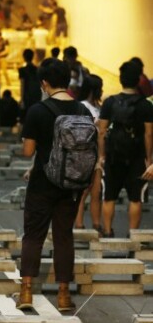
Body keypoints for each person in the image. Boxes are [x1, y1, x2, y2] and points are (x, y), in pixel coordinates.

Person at [17, 58, 93, 312]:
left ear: (44, 83)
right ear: (68, 80)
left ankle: (26, 292)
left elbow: (28, 151)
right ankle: (63, 296)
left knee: (34, 235)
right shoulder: (82, 111)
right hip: (72, 183)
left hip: (42, 182)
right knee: (64, 237)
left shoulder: (38, 111)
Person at [97, 61, 153, 238]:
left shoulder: (109, 103)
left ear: (121, 80)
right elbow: (149, 134)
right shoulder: (145, 105)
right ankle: (133, 234)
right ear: (138, 81)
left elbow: (102, 131)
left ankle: (107, 231)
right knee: (135, 198)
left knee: (109, 196)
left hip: (113, 156)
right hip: (137, 157)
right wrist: (149, 159)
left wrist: (101, 155)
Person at [74, 74, 104, 232]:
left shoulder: (97, 106)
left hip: (98, 152)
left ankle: (96, 224)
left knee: (96, 192)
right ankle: (79, 224)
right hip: (86, 152)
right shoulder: (82, 106)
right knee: (84, 191)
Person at [19, 49, 42, 125]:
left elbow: (22, 85)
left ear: (24, 57)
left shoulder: (22, 70)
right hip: (36, 96)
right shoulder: (37, 69)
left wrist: (21, 99)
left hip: (26, 96)